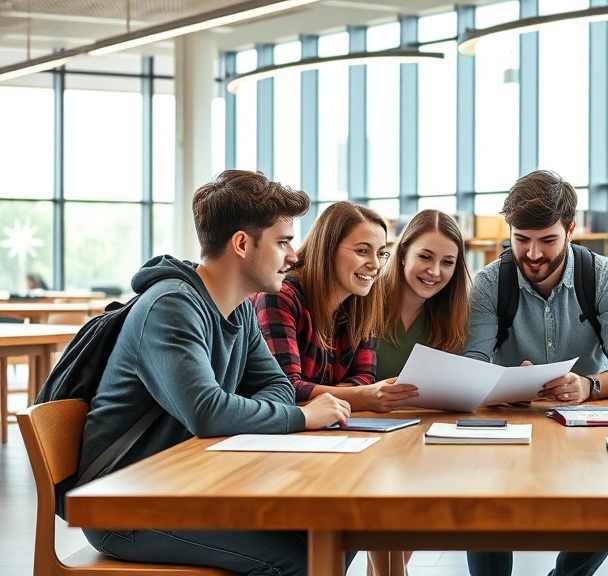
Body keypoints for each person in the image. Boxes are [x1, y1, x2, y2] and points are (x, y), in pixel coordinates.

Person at [79, 170, 355, 576]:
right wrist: (300, 416)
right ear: (242, 244)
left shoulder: (239, 307)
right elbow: (207, 412)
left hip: (191, 485)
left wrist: (244, 410)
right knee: (303, 561)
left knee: (335, 535)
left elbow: (276, 384)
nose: (293, 256)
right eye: (282, 242)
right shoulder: (171, 306)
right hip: (123, 503)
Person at [463, 170, 608, 576]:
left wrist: (588, 385)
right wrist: (505, 385)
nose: (532, 254)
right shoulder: (489, 284)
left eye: (547, 240)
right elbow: (472, 362)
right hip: (509, 420)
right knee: (482, 496)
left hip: (585, 422)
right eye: (521, 239)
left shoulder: (603, 277)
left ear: (570, 229)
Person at [366, 208, 472, 576]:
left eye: (447, 262)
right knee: (388, 541)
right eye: (425, 257)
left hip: (422, 436)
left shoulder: (449, 315)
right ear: (403, 252)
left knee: (406, 521)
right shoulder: (365, 299)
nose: (435, 272)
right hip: (364, 432)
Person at [251, 201, 419, 412]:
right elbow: (284, 388)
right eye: (363, 251)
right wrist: (360, 397)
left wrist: (327, 397)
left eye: (381, 253)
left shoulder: (362, 301)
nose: (375, 265)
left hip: (328, 425)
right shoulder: (280, 295)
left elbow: (364, 376)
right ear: (327, 248)